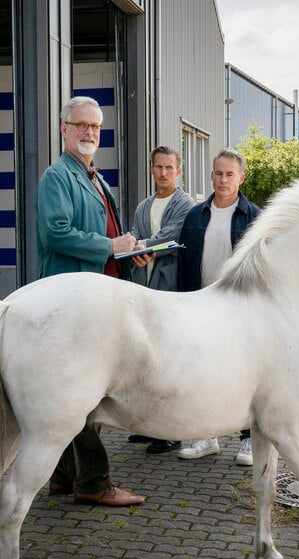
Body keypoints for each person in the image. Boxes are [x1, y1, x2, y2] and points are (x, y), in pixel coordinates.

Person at [35, 95, 145, 507]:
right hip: (71, 302)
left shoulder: (95, 177)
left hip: (98, 294)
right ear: (64, 129)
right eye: (81, 125)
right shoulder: (57, 177)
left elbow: (108, 236)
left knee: (78, 391)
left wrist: (130, 251)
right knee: (84, 394)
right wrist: (110, 244)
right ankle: (94, 482)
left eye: (95, 127)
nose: (89, 133)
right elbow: (56, 233)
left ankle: (64, 477)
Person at [175, 148, 261, 466]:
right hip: (200, 306)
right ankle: (206, 435)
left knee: (244, 376)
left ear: (241, 177)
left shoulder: (255, 218)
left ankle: (249, 439)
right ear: (211, 176)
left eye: (230, 174)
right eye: (218, 173)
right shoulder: (195, 215)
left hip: (241, 310)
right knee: (203, 374)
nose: (223, 179)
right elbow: (185, 263)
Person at [125, 146, 195, 455]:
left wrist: (140, 247)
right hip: (143, 287)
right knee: (144, 358)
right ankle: (148, 425)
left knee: (168, 362)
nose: (163, 172)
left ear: (178, 171)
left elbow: (171, 236)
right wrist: (137, 251)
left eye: (169, 167)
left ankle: (171, 432)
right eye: (158, 167)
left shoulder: (186, 205)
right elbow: (136, 234)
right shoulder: (143, 206)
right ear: (151, 169)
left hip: (167, 289)